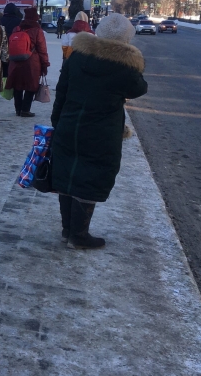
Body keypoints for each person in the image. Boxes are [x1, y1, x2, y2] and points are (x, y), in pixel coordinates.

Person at [51, 14, 148, 249]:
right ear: (125, 39)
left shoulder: (77, 57)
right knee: (91, 177)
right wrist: (134, 59)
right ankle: (79, 235)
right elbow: (140, 88)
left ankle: (67, 231)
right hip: (101, 133)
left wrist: (58, 121)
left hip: (69, 126)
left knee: (67, 175)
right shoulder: (124, 66)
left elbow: (62, 90)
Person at [6, 7, 49, 118]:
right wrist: (45, 64)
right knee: (31, 86)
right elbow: (42, 49)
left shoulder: (17, 28)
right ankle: (25, 109)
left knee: (17, 85)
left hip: (15, 61)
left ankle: (18, 109)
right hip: (31, 62)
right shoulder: (37, 31)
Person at [0, 2, 23, 82]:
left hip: (1, 51)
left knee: (4, 73)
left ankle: (4, 90)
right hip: (15, 51)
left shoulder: (0, 21)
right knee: (14, 74)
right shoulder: (19, 21)